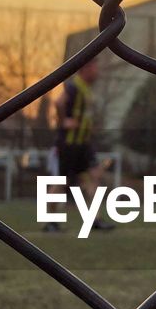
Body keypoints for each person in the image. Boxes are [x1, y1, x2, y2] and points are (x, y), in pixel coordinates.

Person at [44, 56, 112, 232]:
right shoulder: (74, 86)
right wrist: (63, 121)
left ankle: (94, 220)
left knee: (95, 176)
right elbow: (58, 102)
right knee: (61, 182)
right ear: (86, 68)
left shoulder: (87, 90)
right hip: (69, 144)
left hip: (84, 144)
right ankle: (50, 222)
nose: (97, 72)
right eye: (94, 67)